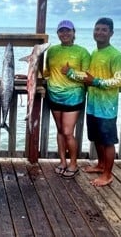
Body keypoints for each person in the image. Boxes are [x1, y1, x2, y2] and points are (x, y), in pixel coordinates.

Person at [62, 17, 121, 186]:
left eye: (103, 30)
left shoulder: (116, 55)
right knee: (97, 138)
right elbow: (87, 76)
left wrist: (97, 82)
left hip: (107, 107)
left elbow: (119, 80)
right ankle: (101, 165)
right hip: (93, 105)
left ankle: (108, 175)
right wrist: (70, 73)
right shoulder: (95, 53)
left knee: (107, 141)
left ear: (111, 33)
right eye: (97, 29)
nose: (99, 32)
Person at [44, 20, 90, 179]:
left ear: (73, 32)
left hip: (73, 97)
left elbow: (87, 76)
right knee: (60, 131)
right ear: (57, 33)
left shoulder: (82, 52)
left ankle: (74, 164)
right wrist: (30, 75)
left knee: (68, 132)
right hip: (53, 95)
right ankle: (63, 161)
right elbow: (47, 72)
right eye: (61, 31)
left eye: (68, 31)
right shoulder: (52, 51)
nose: (64, 34)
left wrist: (70, 72)